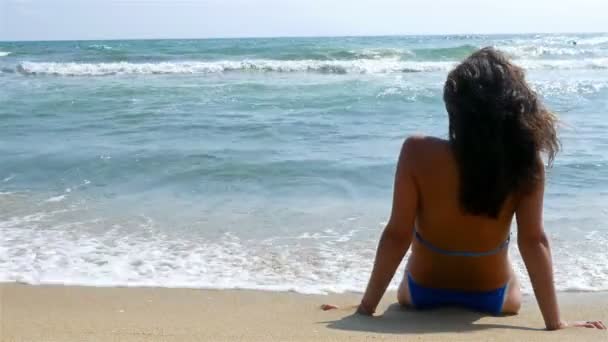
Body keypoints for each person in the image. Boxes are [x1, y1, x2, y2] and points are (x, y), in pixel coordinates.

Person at [347, 47, 604, 330]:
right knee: (512, 276)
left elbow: (397, 235)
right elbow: (533, 242)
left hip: (420, 293)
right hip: (494, 298)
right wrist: (555, 323)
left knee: (413, 262)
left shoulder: (416, 153)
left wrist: (365, 309)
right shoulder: (525, 164)